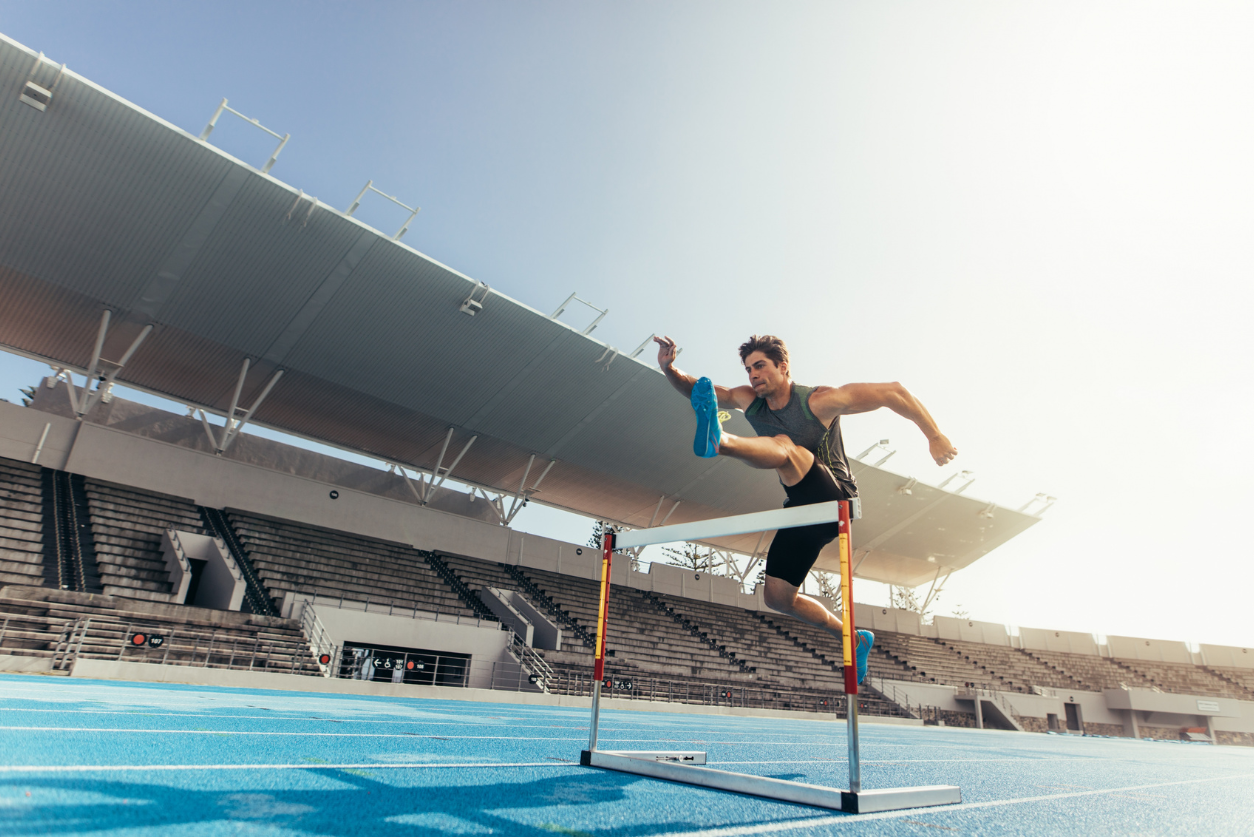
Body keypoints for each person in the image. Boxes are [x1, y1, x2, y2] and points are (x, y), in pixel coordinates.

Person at [655, 334, 958, 684]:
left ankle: (719, 440)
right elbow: (699, 390)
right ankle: (853, 637)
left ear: (783, 367)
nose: (753, 375)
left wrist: (934, 435)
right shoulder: (748, 399)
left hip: (836, 500)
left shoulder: (819, 401)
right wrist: (669, 368)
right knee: (778, 598)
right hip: (801, 508)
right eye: (749, 368)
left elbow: (894, 391)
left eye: (761, 366)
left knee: (785, 446)